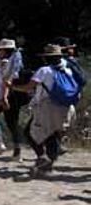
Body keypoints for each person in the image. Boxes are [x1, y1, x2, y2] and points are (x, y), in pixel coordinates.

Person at [24, 44, 80, 175]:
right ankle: (47, 166)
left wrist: (12, 86)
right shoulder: (68, 70)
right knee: (53, 135)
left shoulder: (44, 70)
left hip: (47, 106)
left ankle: (43, 159)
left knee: (29, 132)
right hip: (66, 106)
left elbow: (29, 87)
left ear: (46, 58)